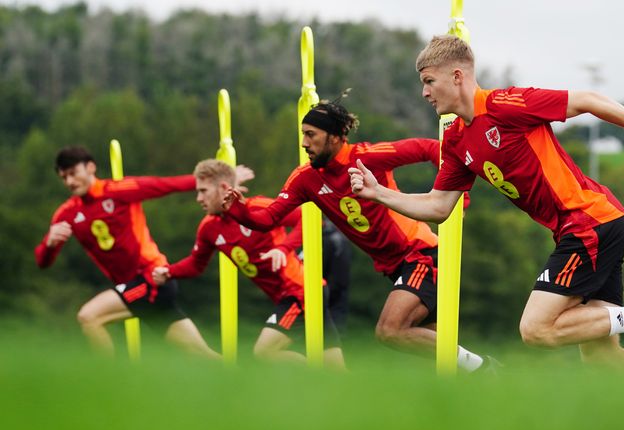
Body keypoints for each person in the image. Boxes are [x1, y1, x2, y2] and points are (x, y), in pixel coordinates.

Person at [348, 35, 624, 377]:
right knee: (603, 356)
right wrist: (379, 193)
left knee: (536, 329)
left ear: (457, 76)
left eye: (428, 81)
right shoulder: (455, 140)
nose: (424, 92)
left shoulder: (504, 104)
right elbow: (439, 206)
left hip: (589, 221)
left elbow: (588, 99)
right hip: (589, 226)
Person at [223, 100, 489, 372]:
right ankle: (483, 378)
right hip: (396, 268)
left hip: (420, 254)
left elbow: (431, 148)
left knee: (390, 330)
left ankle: (482, 368)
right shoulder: (305, 179)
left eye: (311, 134)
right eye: (302, 134)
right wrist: (236, 209)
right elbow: (266, 218)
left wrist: (457, 197)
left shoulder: (367, 157)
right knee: (437, 358)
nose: (304, 142)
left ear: (336, 137)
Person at [152, 159, 345, 368]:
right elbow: (196, 264)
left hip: (300, 291)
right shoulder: (208, 228)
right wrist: (168, 272)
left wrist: (283, 248)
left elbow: (309, 218)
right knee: (335, 368)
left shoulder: (257, 207)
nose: (199, 198)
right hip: (295, 294)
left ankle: (317, 379)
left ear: (223, 188)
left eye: (203, 191)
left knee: (264, 352)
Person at [35, 146, 219, 359]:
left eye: (73, 173)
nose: (69, 182)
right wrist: (49, 243)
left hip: (152, 278)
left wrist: (217, 181)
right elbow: (42, 262)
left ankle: (111, 385)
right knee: (202, 354)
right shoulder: (66, 213)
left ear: (91, 167)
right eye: (64, 177)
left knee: (89, 316)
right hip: (136, 288)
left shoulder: (117, 190)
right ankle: (236, 377)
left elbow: (166, 185)